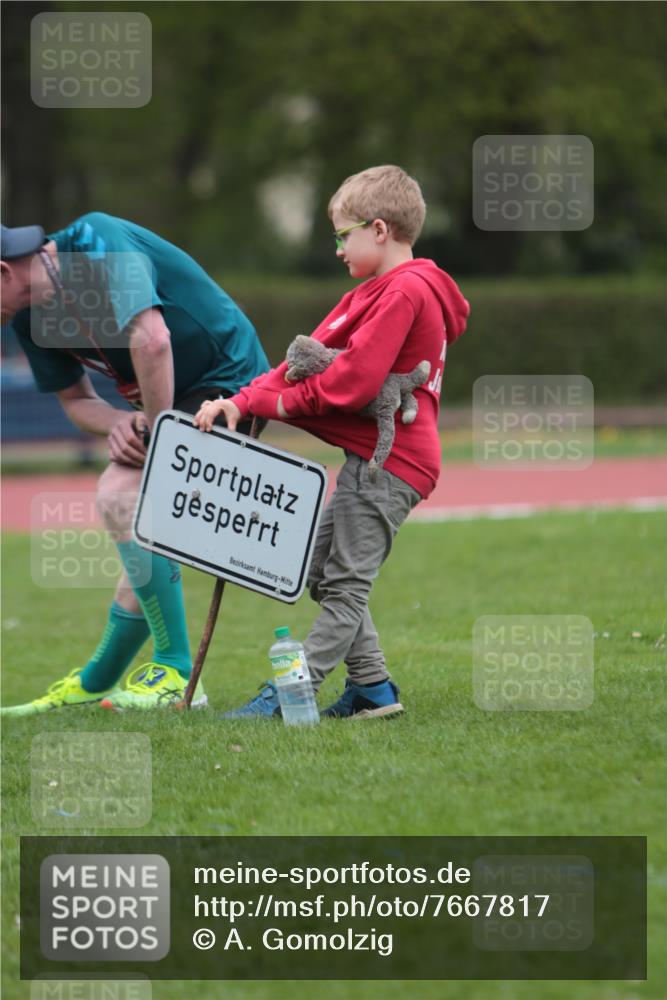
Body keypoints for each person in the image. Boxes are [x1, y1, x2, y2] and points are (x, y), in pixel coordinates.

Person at [194, 165, 470, 719]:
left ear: (379, 230)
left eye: (343, 235)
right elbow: (300, 364)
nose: (339, 248)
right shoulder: (370, 293)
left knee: (344, 587)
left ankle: (289, 696)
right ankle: (372, 690)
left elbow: (352, 384)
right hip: (369, 461)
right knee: (320, 574)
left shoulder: (407, 291)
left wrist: (268, 404)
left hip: (391, 465)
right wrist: (239, 401)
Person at [0, 213, 269, 715]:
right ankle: (96, 682)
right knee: (146, 539)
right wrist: (119, 424)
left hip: (232, 381)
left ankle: (176, 670)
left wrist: (153, 424)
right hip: (168, 399)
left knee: (121, 496)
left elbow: (153, 340)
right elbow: (76, 401)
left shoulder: (96, 242)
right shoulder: (28, 316)